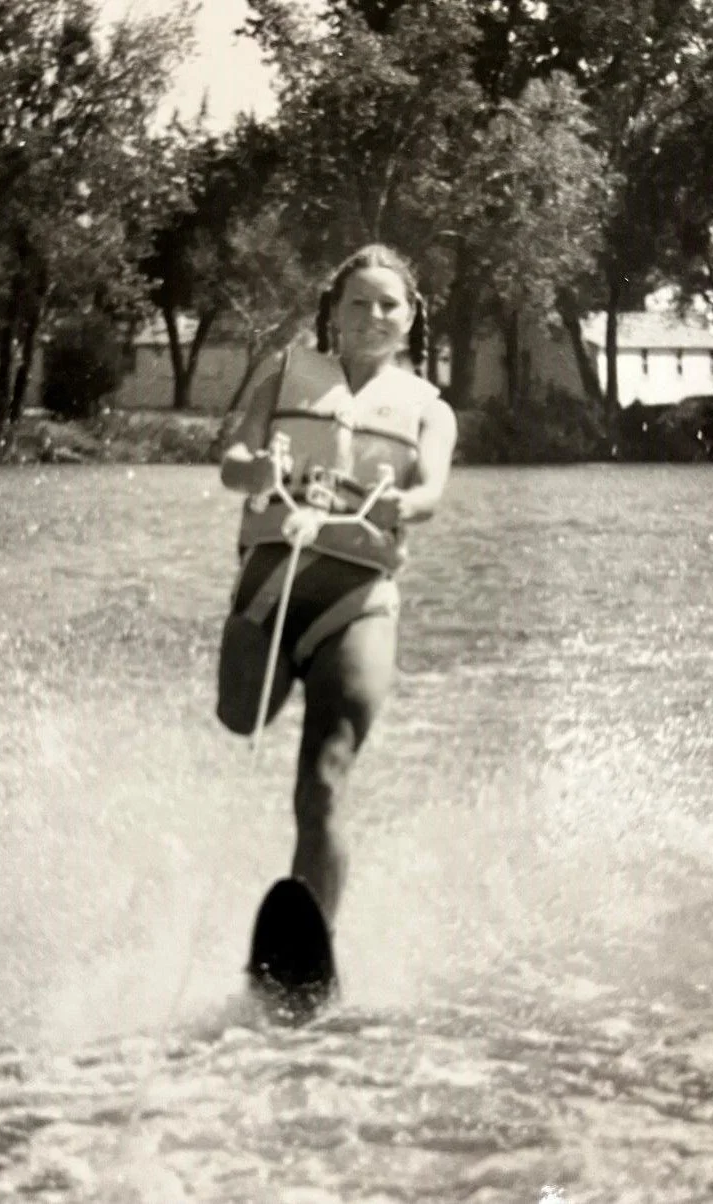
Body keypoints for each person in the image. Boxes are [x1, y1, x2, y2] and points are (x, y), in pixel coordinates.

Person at [216, 243, 457, 926]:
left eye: (388, 305)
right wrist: (255, 471)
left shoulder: (430, 410)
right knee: (239, 716)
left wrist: (404, 505)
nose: (373, 316)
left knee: (321, 782)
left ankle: (312, 940)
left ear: (410, 318)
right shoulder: (283, 372)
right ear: (334, 311)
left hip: (357, 601)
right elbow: (233, 459)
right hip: (271, 584)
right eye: (359, 303)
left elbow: (430, 492)